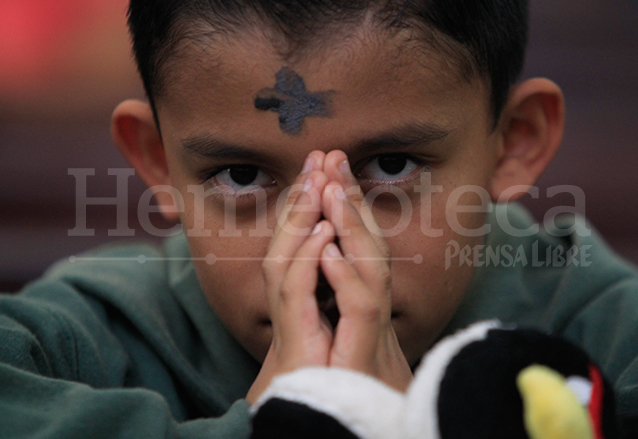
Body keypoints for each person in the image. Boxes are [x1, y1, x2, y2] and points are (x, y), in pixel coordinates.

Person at [1, 0, 637, 437]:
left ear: (515, 141)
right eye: (243, 176)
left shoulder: (602, 322)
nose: (321, 246)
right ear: (158, 162)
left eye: (391, 165)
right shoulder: (96, 332)